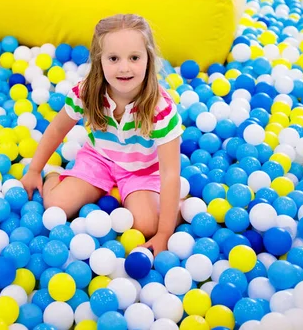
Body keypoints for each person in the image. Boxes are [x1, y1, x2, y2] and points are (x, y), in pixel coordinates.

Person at [21, 13, 182, 255]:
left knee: (148, 225)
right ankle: (57, 177)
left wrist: (164, 233)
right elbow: (56, 128)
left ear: (149, 58)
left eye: (134, 58)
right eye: (114, 58)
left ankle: (178, 207)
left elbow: (170, 173)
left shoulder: (160, 107)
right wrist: (35, 170)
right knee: (56, 205)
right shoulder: (86, 92)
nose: (124, 67)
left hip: (142, 170)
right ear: (99, 60)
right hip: (100, 159)